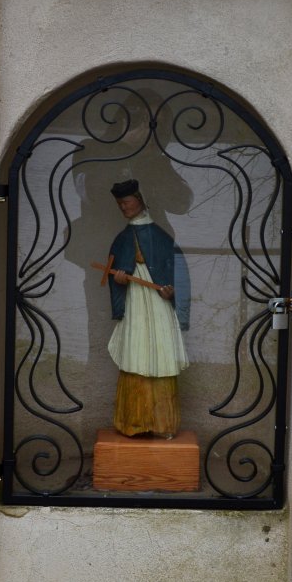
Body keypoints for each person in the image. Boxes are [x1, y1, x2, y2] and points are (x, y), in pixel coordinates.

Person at [106, 180, 189, 437]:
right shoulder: (121, 239)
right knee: (135, 353)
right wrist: (119, 279)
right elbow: (113, 271)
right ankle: (134, 421)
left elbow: (178, 273)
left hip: (158, 303)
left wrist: (172, 291)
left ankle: (162, 423)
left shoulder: (162, 237)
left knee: (161, 354)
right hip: (135, 302)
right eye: (119, 204)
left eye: (126, 202)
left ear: (140, 201)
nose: (123, 207)